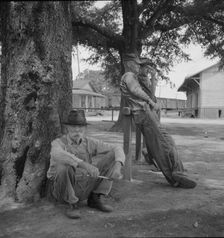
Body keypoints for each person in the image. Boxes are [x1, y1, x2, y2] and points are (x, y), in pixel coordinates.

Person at [120, 53, 197, 189]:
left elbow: (148, 92)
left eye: (140, 65)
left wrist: (153, 80)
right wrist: (150, 101)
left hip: (146, 113)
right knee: (162, 146)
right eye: (136, 64)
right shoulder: (128, 76)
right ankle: (175, 177)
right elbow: (136, 90)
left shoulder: (134, 77)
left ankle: (178, 172)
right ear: (128, 63)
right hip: (143, 113)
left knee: (166, 142)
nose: (138, 67)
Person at [47, 109, 125, 219]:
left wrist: (118, 166)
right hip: (63, 191)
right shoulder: (58, 143)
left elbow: (117, 148)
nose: (77, 130)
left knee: (113, 155)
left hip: (84, 186)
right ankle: (72, 204)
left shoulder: (89, 142)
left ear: (85, 128)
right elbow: (57, 154)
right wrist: (85, 165)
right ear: (67, 128)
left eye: (80, 127)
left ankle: (95, 198)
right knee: (62, 166)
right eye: (73, 127)